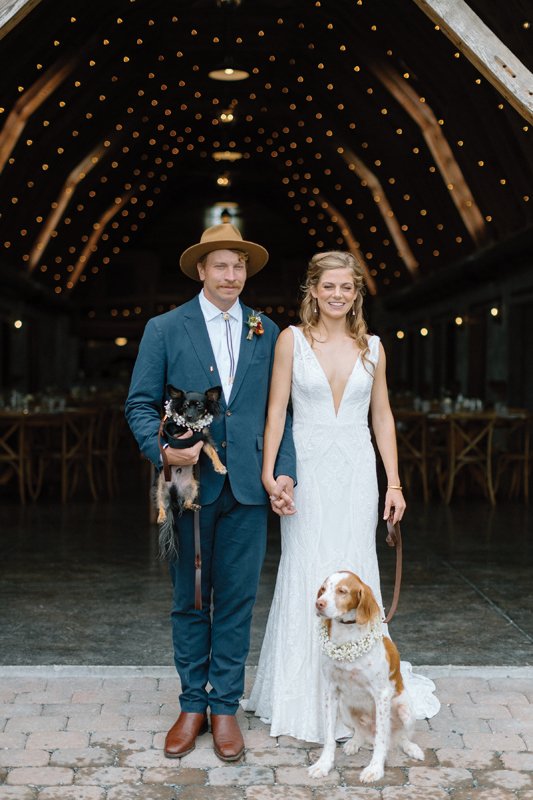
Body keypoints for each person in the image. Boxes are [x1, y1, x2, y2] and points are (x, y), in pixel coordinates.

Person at [246, 250, 440, 742]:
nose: (337, 295)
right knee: (305, 569)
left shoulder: (373, 346)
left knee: (355, 567)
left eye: (346, 288)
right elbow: (276, 413)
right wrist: (270, 474)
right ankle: (301, 696)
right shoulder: (290, 340)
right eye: (328, 286)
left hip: (357, 473)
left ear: (357, 294)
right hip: (306, 472)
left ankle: (363, 691)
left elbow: (382, 418)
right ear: (312, 289)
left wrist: (394, 483)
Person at [125, 223, 296, 761]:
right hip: (190, 489)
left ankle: (224, 707)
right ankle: (191, 704)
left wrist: (284, 470)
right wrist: (164, 453)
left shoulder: (266, 330)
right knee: (190, 599)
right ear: (201, 270)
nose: (231, 275)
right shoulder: (165, 328)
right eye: (221, 265)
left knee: (238, 602)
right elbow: (139, 405)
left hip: (248, 487)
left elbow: (280, 414)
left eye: (239, 266)